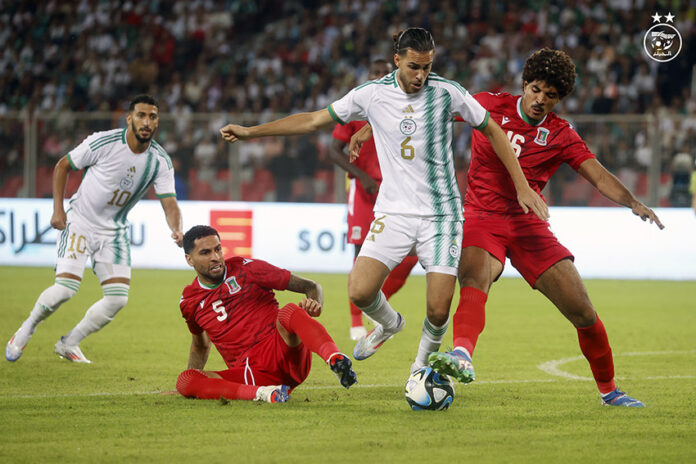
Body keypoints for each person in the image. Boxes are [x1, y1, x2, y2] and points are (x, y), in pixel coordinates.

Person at [220, 27, 548, 374]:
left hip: (441, 216)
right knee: (359, 291)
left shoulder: (447, 93)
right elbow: (313, 120)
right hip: (393, 213)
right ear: (397, 61)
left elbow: (492, 129)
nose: (421, 75)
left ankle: (419, 371)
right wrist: (251, 131)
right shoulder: (371, 94)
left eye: (427, 66)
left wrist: (522, 186)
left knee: (438, 311)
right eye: (413, 67)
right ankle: (390, 324)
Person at [424, 49, 664, 407]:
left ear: (559, 99)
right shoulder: (488, 103)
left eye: (550, 96)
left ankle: (610, 391)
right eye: (535, 89)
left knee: (583, 312)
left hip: (528, 225)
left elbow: (596, 174)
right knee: (475, 279)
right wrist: (370, 127)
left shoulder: (560, 133)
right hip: (481, 217)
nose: (540, 100)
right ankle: (461, 354)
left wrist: (633, 202)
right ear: (524, 84)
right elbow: (431, 109)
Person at [5, 94, 183, 364]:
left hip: (114, 232)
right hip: (80, 222)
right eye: (141, 115)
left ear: (158, 122)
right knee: (65, 289)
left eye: (153, 117)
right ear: (129, 119)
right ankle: (25, 329)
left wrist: (177, 229)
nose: (147, 122)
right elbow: (63, 165)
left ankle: (69, 343)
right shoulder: (105, 141)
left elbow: (169, 202)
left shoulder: (160, 161)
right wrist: (58, 210)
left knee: (117, 299)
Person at [175, 225, 357, 403]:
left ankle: (335, 359)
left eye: (218, 249)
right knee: (185, 380)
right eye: (205, 253)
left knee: (289, 311)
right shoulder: (189, 301)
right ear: (189, 260)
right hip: (251, 374)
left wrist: (314, 307)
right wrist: (195, 383)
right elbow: (200, 346)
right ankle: (265, 393)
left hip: (285, 353)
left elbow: (312, 287)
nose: (216, 257)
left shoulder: (246, 268)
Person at [328, 58, 419, 341]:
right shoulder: (356, 108)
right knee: (360, 260)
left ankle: (376, 303)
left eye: (385, 74)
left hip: (396, 194)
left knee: (412, 254)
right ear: (368, 77)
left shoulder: (404, 109)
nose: (380, 77)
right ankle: (356, 320)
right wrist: (361, 176)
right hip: (364, 194)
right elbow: (333, 150)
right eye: (375, 74)